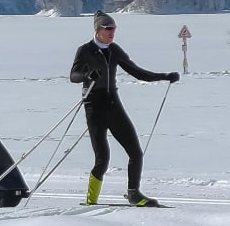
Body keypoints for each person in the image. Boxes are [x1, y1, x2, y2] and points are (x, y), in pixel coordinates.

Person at [69, 11, 178, 205]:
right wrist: (87, 75)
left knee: (135, 152)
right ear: (98, 30)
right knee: (102, 158)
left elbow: (137, 72)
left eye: (114, 29)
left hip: (113, 105)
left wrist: (164, 76)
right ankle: (90, 201)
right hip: (94, 107)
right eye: (108, 29)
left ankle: (134, 194)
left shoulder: (115, 50)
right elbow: (73, 76)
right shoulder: (84, 50)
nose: (112, 32)